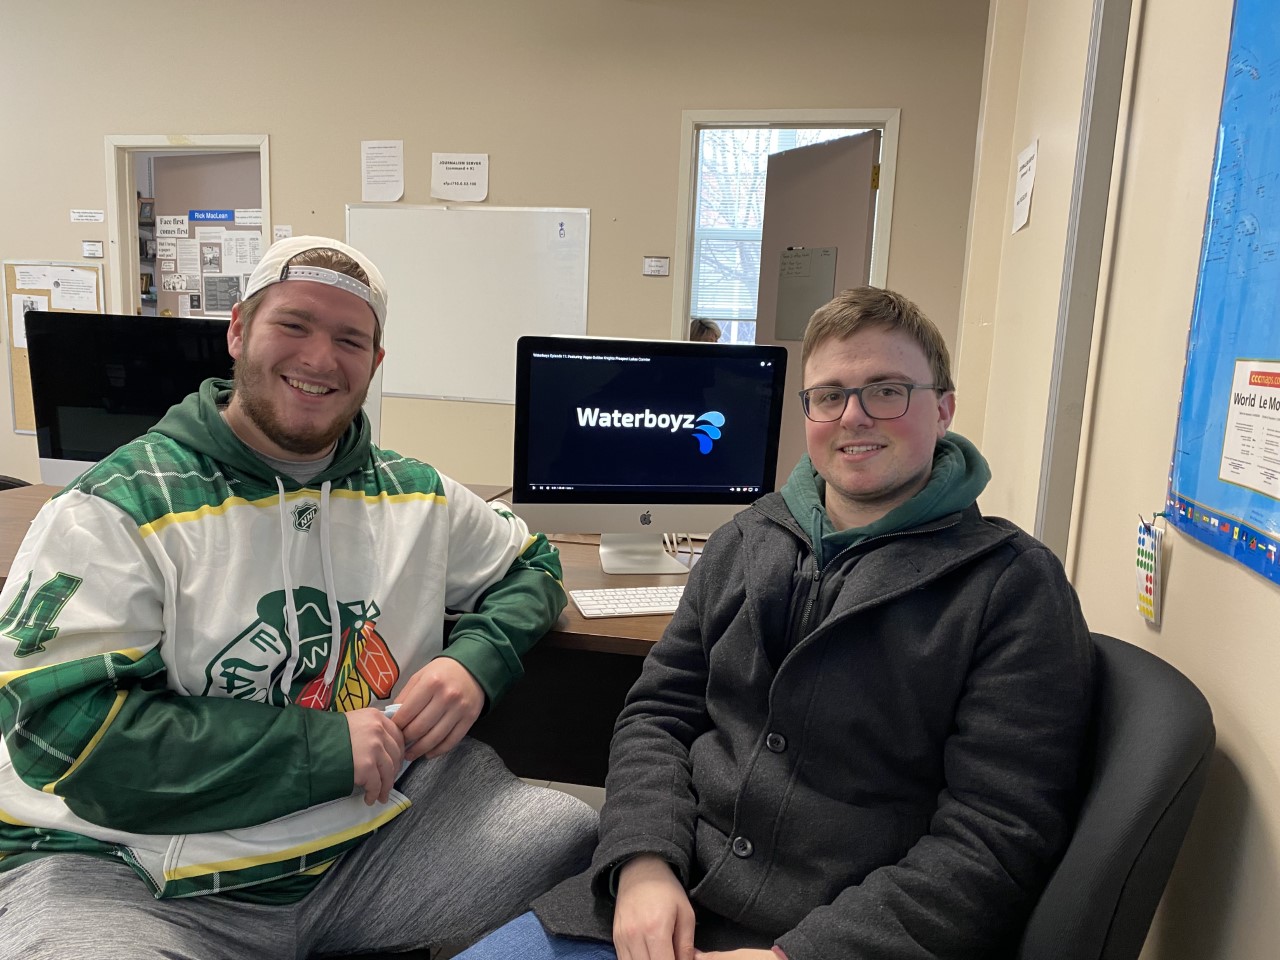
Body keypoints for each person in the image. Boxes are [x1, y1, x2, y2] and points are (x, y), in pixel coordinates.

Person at [0, 236, 597, 959]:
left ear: (374, 365)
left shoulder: (415, 493)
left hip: (353, 850)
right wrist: (321, 750)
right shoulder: (118, 507)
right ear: (238, 332)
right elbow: (63, 735)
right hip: (130, 870)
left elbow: (534, 565)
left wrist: (478, 659)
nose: (319, 360)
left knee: (566, 834)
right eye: (293, 325)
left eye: (350, 339)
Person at [457, 286, 1095, 960]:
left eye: (886, 390)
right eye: (829, 395)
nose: (853, 416)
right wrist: (643, 861)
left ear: (943, 409)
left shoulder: (1012, 587)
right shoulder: (746, 538)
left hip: (843, 936)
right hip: (666, 897)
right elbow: (658, 715)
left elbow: (996, 834)